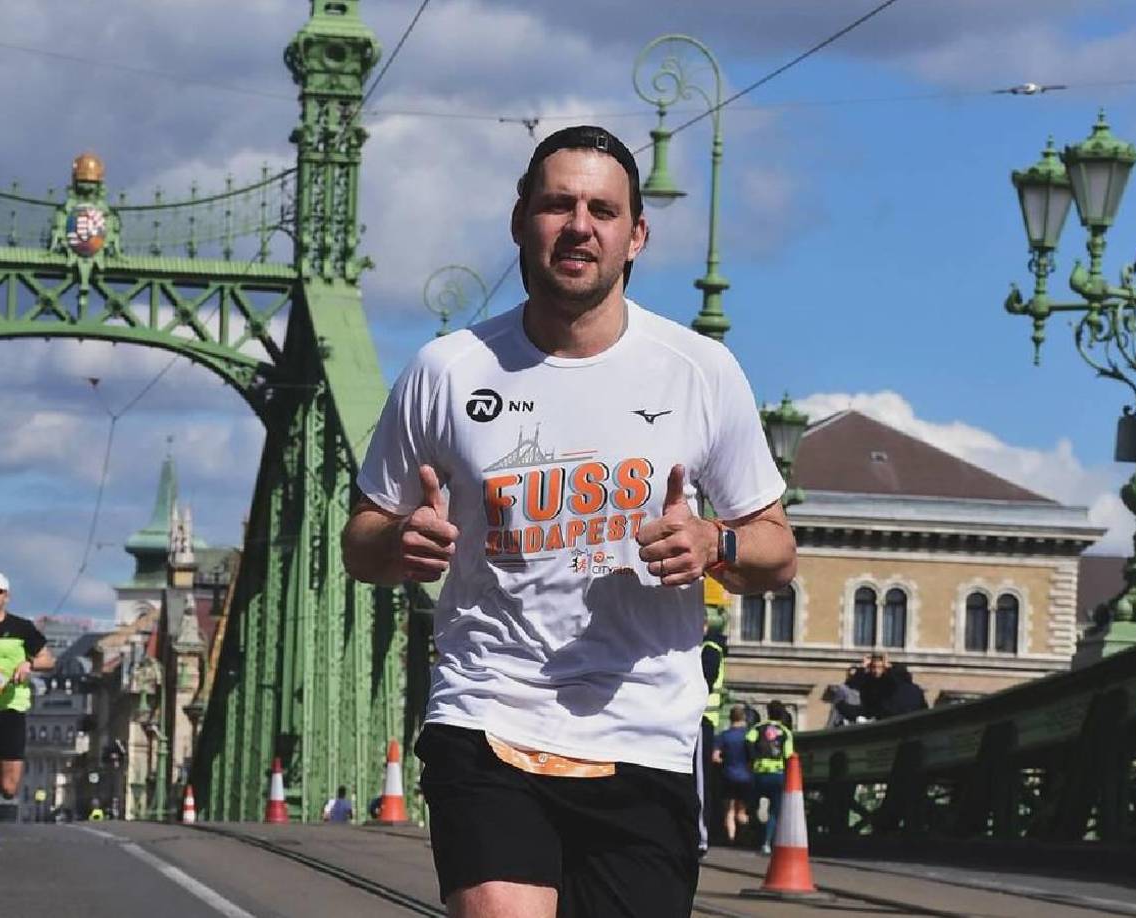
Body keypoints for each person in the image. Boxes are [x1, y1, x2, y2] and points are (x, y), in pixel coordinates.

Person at [342, 124, 797, 918]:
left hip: (643, 735)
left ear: (635, 236)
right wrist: (397, 540)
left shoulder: (701, 372)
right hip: (488, 715)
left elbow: (777, 551)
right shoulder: (448, 371)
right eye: (557, 204)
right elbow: (361, 537)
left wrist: (716, 542)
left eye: (602, 209)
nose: (579, 225)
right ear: (521, 220)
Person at [0, 572, 53, 865]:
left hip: (12, 709)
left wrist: (28, 664)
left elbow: (48, 659)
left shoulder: (21, 628)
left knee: (9, 787)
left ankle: (1, 799)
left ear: (6, 596)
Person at [745, 700, 794, 855]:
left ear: (768, 712)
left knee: (753, 805)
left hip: (759, 772)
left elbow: (748, 741)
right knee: (775, 810)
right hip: (777, 773)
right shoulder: (785, 731)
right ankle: (766, 842)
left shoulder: (758, 728)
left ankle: (751, 835)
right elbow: (788, 755)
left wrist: (752, 759)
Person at [695, 616, 726, 855]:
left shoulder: (709, 648)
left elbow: (703, 681)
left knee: (700, 781)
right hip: (697, 721)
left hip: (702, 720)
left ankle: (700, 836)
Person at [712, 704, 754, 846]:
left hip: (728, 776)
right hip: (745, 777)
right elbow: (752, 757)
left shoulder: (723, 736)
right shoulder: (748, 735)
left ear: (730, 718)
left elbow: (715, 757)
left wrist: (726, 761)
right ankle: (746, 837)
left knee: (729, 810)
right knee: (741, 811)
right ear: (743, 718)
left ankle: (731, 838)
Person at [844, 653, 896, 721]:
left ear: (884, 669)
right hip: (868, 714)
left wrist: (888, 668)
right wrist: (863, 667)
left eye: (879, 667)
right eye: (874, 667)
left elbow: (897, 684)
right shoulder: (867, 679)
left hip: (885, 716)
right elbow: (852, 684)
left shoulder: (887, 679)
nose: (876, 671)